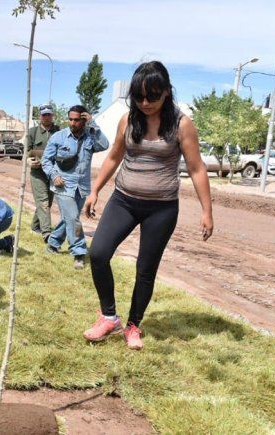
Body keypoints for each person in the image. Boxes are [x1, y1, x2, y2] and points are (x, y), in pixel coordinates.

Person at [82, 61, 213, 350]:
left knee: (146, 268)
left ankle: (133, 325)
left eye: (152, 96)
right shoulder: (129, 120)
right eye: (139, 97)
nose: (145, 103)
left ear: (166, 92)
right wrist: (94, 191)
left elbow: (196, 168)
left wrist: (207, 211)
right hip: (124, 200)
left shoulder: (182, 124)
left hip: (161, 208)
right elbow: (114, 157)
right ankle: (109, 317)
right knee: (99, 253)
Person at [42, 105, 109, 269]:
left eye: (77, 120)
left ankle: (53, 243)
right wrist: (54, 175)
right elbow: (46, 160)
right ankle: (79, 252)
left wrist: (94, 125)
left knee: (68, 219)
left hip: (82, 187)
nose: (72, 123)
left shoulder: (90, 137)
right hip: (63, 185)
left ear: (84, 120)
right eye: (70, 119)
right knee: (73, 218)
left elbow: (105, 145)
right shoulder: (58, 137)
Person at [25, 104, 60, 243]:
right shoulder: (32, 132)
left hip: (52, 172)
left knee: (47, 202)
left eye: (49, 114)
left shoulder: (58, 131)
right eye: (44, 114)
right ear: (40, 116)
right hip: (37, 172)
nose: (46, 117)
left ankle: (35, 226)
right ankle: (47, 233)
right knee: (43, 201)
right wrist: (28, 159)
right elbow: (27, 150)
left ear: (53, 115)